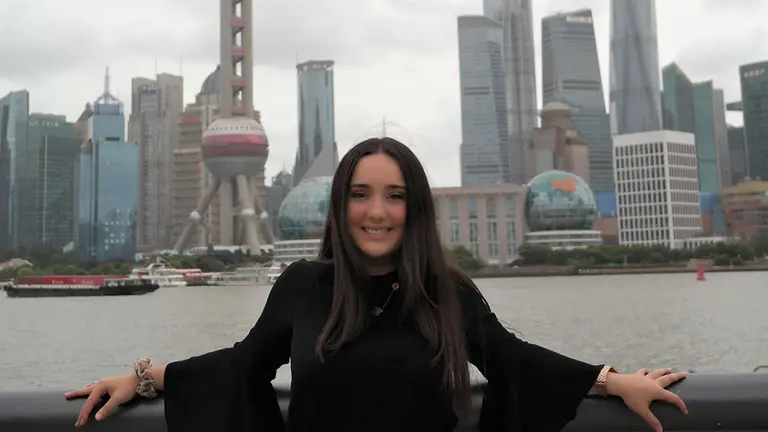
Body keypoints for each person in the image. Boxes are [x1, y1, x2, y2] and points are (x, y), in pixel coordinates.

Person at [66, 137, 688, 432]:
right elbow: (240, 366)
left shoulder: (448, 292)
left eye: (394, 196)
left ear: (413, 208)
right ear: (340, 205)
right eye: (361, 195)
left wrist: (612, 380)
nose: (376, 212)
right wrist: (143, 379)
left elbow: (513, 360)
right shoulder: (304, 286)